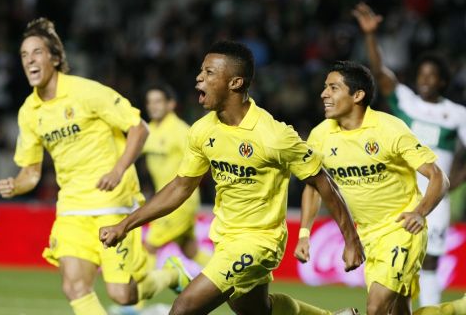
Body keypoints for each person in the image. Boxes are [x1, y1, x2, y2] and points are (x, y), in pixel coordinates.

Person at [100, 40, 365, 315]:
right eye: (201, 71)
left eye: (209, 72)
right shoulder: (203, 131)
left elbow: (322, 181)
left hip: (260, 241)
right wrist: (126, 225)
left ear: (235, 83)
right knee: (258, 311)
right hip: (225, 236)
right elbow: (181, 187)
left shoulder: (273, 136)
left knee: (183, 309)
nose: (199, 77)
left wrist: (351, 240)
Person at [0, 17, 190, 315]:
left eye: (36, 52)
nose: (29, 60)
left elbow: (139, 128)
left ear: (56, 58)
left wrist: (118, 169)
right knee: (74, 287)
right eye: (24, 55)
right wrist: (16, 184)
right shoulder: (29, 112)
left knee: (122, 295)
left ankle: (170, 275)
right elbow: (32, 172)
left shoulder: (87, 92)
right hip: (72, 207)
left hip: (113, 204)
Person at [300, 60, 465, 315]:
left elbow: (437, 177)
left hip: (402, 230)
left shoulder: (389, 129)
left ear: (358, 95)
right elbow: (314, 186)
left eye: (333, 88)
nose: (324, 94)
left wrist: (419, 212)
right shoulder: (320, 135)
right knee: (397, 312)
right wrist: (304, 233)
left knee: (376, 308)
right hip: (367, 235)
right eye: (325, 87)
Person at [352, 2, 466, 306]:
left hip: (433, 194)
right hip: (398, 194)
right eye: (422, 75)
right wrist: (371, 36)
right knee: (397, 264)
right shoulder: (408, 102)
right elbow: (379, 71)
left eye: (432, 76)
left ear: (442, 80)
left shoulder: (457, 114)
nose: (425, 80)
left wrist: (454, 181)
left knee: (429, 261)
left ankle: (426, 310)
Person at [142, 84, 210, 270]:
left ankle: (136, 299)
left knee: (149, 246)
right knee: (191, 251)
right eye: (149, 102)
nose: (152, 106)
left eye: (158, 101)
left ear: (170, 104)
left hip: (179, 201)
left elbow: (203, 159)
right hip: (163, 200)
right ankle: (230, 280)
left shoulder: (181, 131)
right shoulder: (149, 131)